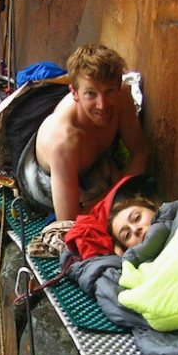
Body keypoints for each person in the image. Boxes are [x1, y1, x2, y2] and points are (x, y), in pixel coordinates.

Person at [16, 44, 148, 222]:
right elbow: (69, 220)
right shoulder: (63, 141)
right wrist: (120, 191)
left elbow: (141, 153)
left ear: (118, 84)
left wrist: (116, 190)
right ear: (74, 93)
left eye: (109, 91)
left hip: (89, 168)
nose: (102, 105)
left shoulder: (122, 96)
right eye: (91, 94)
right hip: (43, 179)